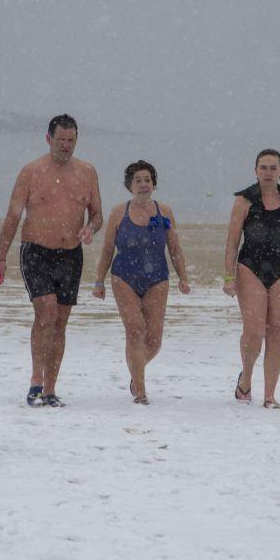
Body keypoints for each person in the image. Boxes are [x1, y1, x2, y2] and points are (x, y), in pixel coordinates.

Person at [0, 114, 103, 407]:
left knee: (60, 322)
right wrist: (1, 258)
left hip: (70, 254)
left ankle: (51, 389)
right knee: (46, 312)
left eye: (71, 140)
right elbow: (13, 216)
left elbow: (97, 215)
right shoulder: (31, 171)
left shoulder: (87, 172)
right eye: (61, 140)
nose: (66, 146)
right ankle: (35, 382)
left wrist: (90, 229)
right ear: (48, 139)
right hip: (36, 251)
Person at [223, 149, 280, 409]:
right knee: (253, 332)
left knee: (276, 333)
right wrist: (228, 276)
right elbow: (232, 242)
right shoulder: (244, 200)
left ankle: (269, 395)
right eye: (263, 167)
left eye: (273, 167)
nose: (268, 171)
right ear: (255, 170)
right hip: (250, 268)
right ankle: (247, 376)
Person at [92, 161, 191, 404]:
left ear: (154, 184)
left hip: (157, 278)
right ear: (129, 186)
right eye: (138, 180)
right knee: (135, 329)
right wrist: (99, 281)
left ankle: (136, 374)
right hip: (123, 276)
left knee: (154, 341)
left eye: (147, 180)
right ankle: (141, 392)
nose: (143, 185)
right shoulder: (118, 212)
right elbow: (106, 250)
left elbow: (175, 248)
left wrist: (183, 277)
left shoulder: (164, 212)